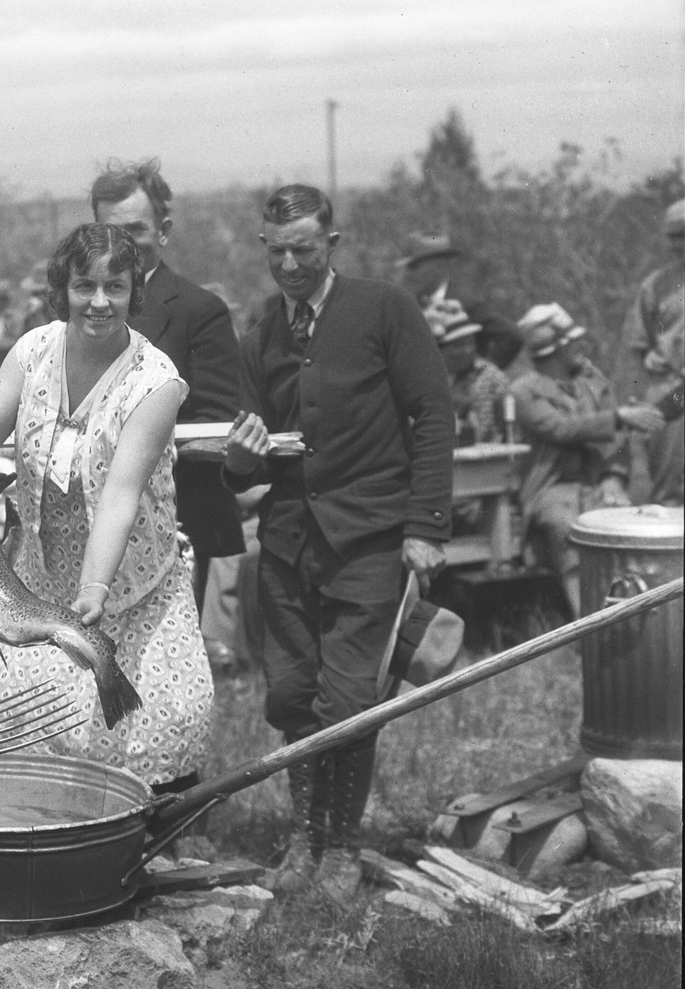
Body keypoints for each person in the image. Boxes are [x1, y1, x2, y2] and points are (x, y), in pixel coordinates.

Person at [222, 185, 455, 900]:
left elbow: (434, 413)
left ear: (332, 243)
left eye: (305, 248)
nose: (291, 263)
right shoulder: (261, 330)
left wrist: (423, 528)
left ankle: (342, 848)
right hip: (289, 543)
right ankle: (304, 837)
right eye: (278, 249)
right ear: (264, 245)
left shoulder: (383, 308)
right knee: (292, 693)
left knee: (350, 698)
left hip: (369, 540)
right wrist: (238, 454)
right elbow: (249, 462)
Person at [0, 223, 214, 790]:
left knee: (152, 725)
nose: (98, 301)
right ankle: (39, 842)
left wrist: (94, 592)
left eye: (114, 287)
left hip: (132, 584)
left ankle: (144, 846)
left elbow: (121, 492)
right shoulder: (33, 350)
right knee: (30, 727)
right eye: (84, 285)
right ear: (61, 289)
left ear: (134, 291)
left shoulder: (155, 381)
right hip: (38, 583)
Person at [90, 158, 246, 610]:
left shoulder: (201, 311)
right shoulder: (77, 312)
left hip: (171, 521)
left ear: (164, 230)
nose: (123, 245)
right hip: (84, 524)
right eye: (110, 232)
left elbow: (216, 425)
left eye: (136, 230)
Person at [509, 306, 654, 617]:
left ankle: (630, 620)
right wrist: (617, 417)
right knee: (567, 529)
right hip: (550, 488)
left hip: (596, 480)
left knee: (623, 524)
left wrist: (613, 477)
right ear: (553, 351)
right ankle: (588, 626)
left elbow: (618, 440)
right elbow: (560, 428)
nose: (581, 348)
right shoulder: (523, 392)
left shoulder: (593, 381)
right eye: (571, 343)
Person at [613, 198, 685, 507]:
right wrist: (633, 400)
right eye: (671, 235)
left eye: (684, 233)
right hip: (669, 392)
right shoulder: (656, 285)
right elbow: (635, 348)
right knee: (672, 491)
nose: (677, 243)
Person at [392, 233, 522, 372]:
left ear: (439, 266)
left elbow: (512, 336)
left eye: (414, 266)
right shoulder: (413, 303)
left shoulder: (465, 301)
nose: (408, 273)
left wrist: (480, 374)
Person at [429, 303, 510, 447]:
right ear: (438, 350)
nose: (467, 350)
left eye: (470, 343)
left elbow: (507, 429)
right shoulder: (427, 379)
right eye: (458, 346)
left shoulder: (490, 376)